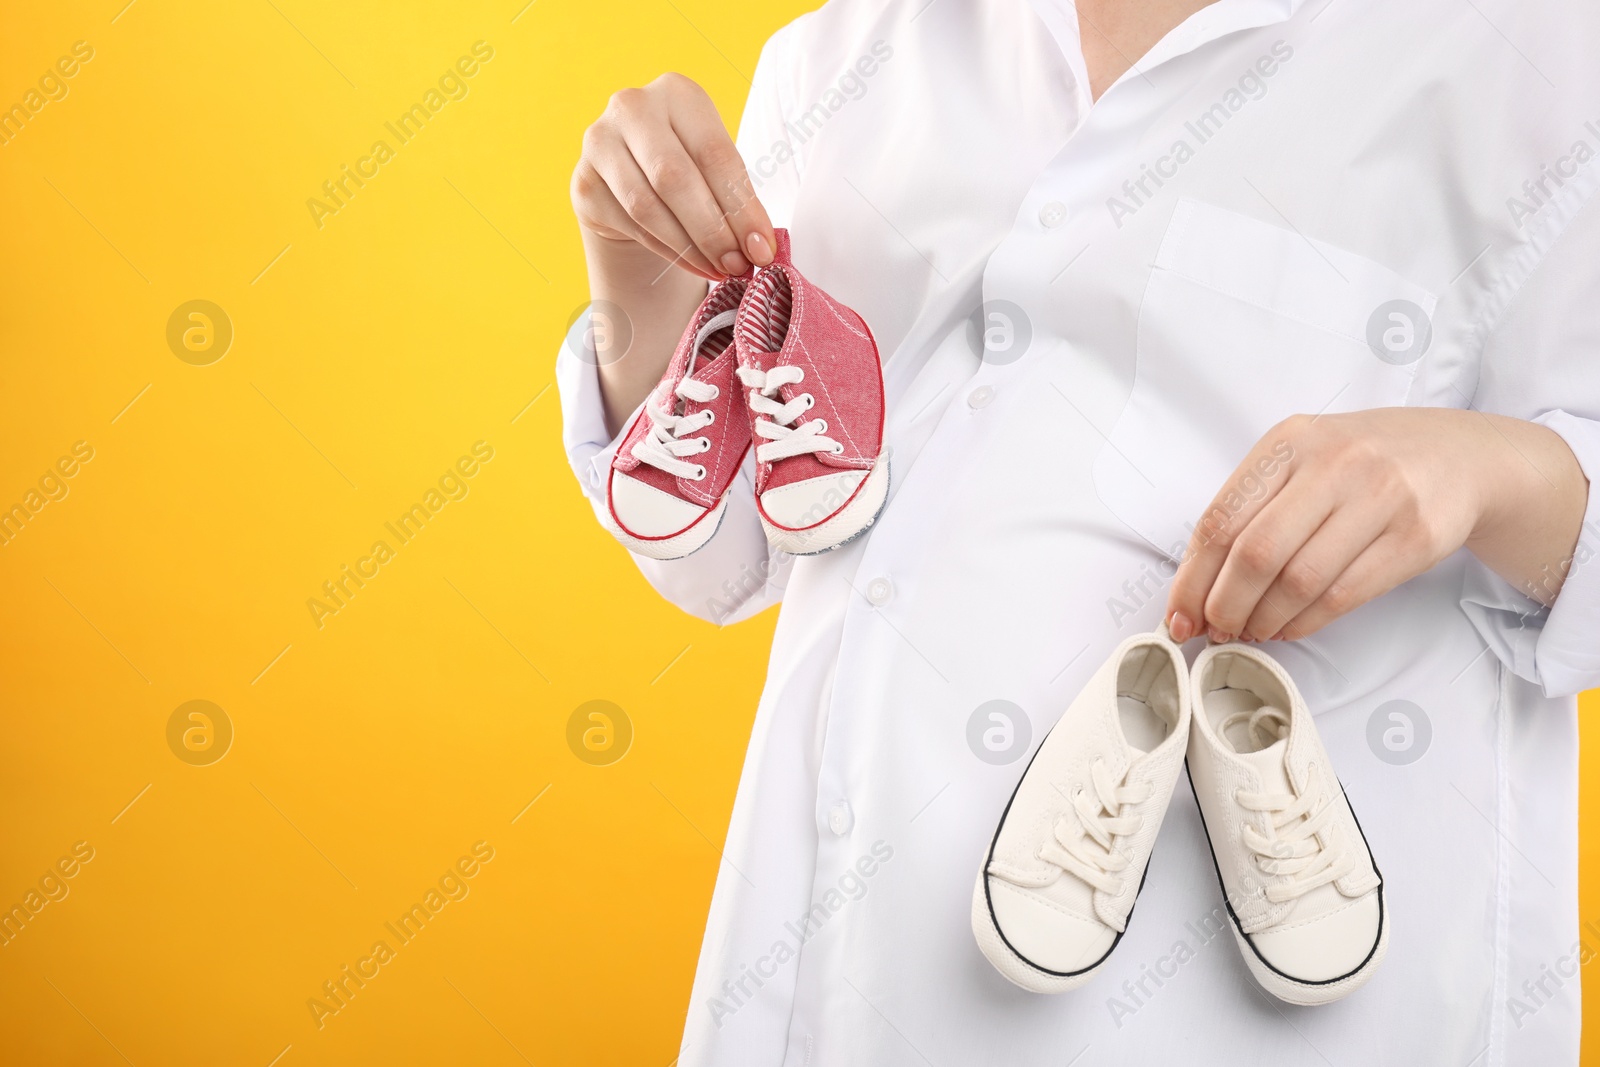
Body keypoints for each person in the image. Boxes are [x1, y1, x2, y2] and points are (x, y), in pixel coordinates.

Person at [556, 0, 1600, 1062]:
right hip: (837, 966)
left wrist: (1490, 472)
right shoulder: (841, 53)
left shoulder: (1540, 49)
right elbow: (728, 559)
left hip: (1252, 1006)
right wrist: (634, 266)